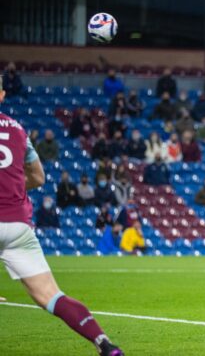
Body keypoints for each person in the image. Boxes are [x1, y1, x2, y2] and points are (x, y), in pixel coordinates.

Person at [0, 85, 123, 355]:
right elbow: (39, 178)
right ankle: (104, 343)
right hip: (18, 225)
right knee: (52, 296)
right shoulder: (19, 131)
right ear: (2, 95)